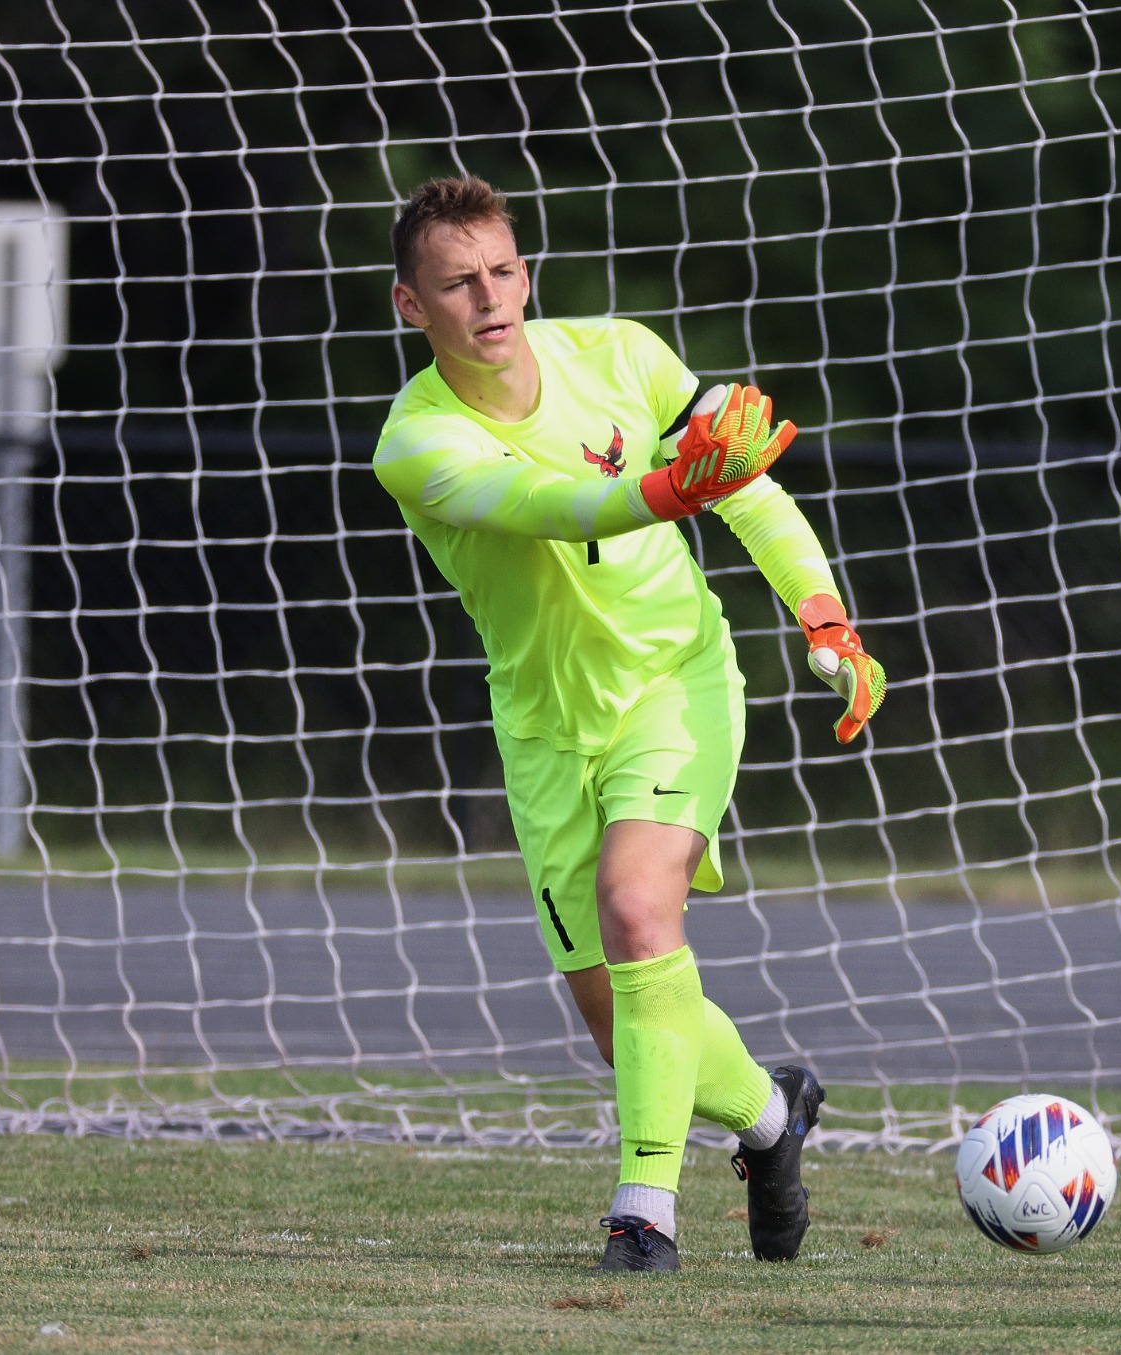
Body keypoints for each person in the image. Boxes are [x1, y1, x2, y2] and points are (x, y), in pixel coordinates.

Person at [372, 175, 885, 1274]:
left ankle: (642, 1213)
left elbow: (744, 487)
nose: (489, 297)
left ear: (525, 270)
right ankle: (767, 1117)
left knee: (635, 905)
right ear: (412, 306)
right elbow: (551, 508)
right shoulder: (415, 443)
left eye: (502, 269)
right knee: (628, 1029)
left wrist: (823, 614)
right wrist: (663, 490)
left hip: (675, 680)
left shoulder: (622, 353)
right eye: (457, 282)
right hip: (548, 730)